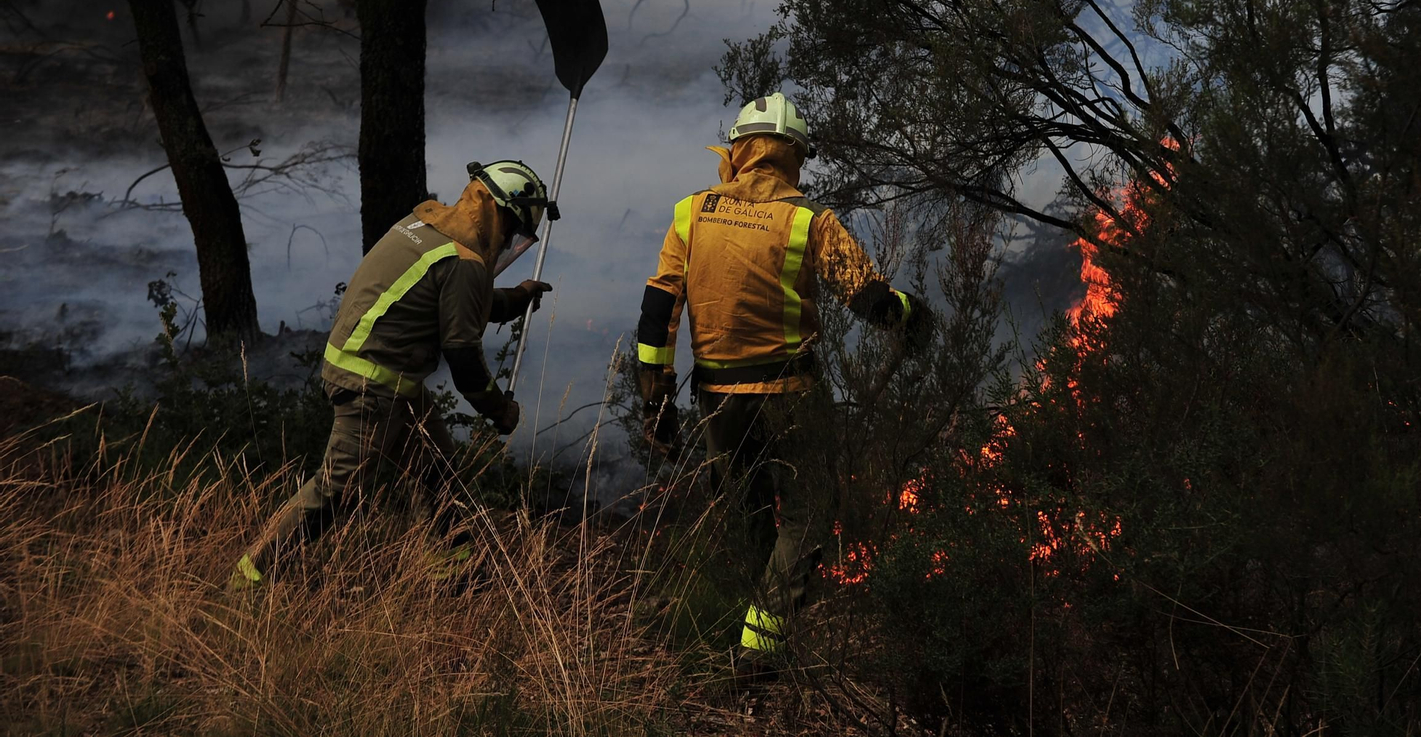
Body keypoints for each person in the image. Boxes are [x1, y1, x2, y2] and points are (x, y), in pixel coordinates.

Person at [633, 92, 927, 675]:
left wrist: (655, 397)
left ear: (739, 149)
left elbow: (657, 308)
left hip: (717, 401)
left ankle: (748, 620)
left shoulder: (691, 212)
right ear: (794, 155)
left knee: (746, 512)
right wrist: (911, 313)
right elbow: (869, 301)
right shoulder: (809, 220)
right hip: (790, 399)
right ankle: (761, 646)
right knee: (808, 514)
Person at [234, 160, 555, 585]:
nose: (509, 241)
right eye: (513, 230)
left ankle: (457, 575)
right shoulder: (462, 259)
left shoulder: (427, 224)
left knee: (439, 472)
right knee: (338, 490)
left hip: (380, 373)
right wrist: (500, 411)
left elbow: (454, 298)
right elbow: (463, 360)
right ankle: (250, 576)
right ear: (500, 212)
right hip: (372, 382)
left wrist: (515, 298)